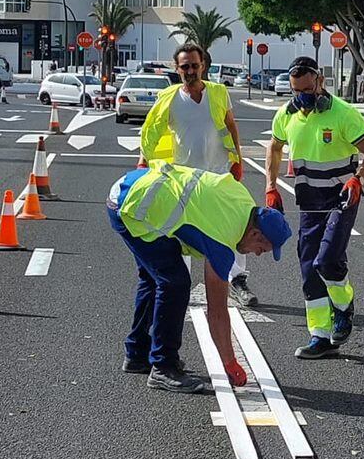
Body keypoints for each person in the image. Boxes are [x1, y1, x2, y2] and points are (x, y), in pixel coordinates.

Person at [108, 160, 291, 393]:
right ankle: (163, 367)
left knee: (154, 278)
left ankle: (136, 354)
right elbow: (216, 311)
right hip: (135, 206)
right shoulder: (223, 239)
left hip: (132, 190)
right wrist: (230, 363)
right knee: (175, 283)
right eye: (262, 249)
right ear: (256, 233)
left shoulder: (244, 201)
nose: (257, 254)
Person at [264, 56, 364, 359]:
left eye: (307, 89)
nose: (302, 97)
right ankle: (320, 336)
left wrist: (359, 179)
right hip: (308, 203)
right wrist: (271, 185)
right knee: (308, 268)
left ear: (320, 82)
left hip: (341, 200)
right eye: (296, 91)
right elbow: (275, 148)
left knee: (327, 260)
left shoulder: (344, 114)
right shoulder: (286, 116)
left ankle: (343, 307)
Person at [141, 43, 259, 307]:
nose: (191, 71)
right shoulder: (169, 98)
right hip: (183, 179)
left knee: (230, 227)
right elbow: (151, 132)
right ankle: (177, 283)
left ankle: (237, 280)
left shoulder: (218, 92)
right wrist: (143, 163)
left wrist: (237, 159)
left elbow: (230, 125)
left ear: (203, 65)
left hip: (217, 176)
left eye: (195, 65)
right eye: (185, 67)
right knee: (178, 230)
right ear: (177, 69)